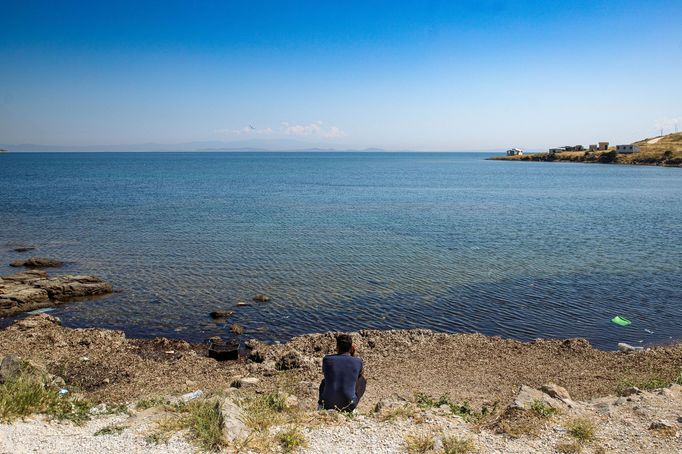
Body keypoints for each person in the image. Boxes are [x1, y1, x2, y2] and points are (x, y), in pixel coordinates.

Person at [318, 333, 366, 411]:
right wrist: (352, 355)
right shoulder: (358, 361)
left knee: (324, 381)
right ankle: (351, 400)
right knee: (362, 380)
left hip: (326, 404)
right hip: (348, 405)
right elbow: (358, 375)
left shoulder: (327, 360)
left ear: (337, 347)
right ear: (351, 348)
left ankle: (321, 403)